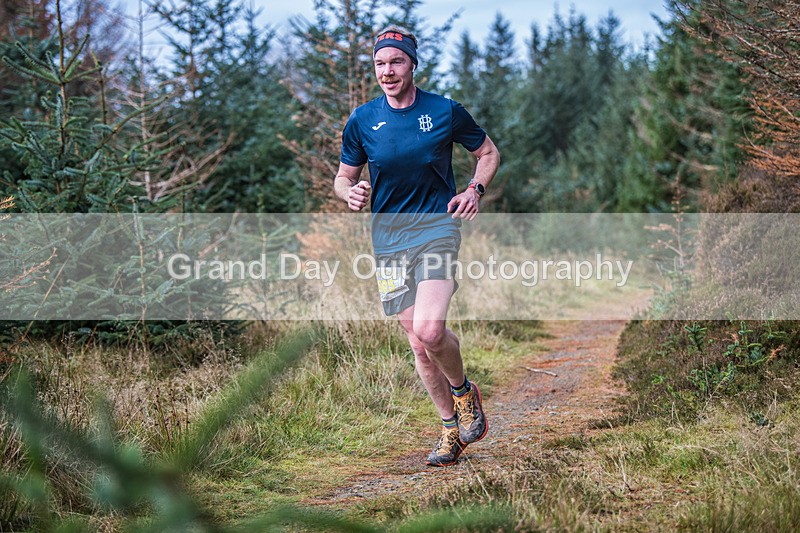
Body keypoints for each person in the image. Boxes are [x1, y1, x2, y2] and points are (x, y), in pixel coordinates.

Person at [333, 26, 500, 467]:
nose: (387, 72)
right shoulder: (362, 119)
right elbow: (343, 176)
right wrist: (347, 192)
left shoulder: (444, 111)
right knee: (418, 344)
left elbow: (487, 153)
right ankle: (450, 429)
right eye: (380, 64)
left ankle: (465, 392)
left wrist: (474, 190)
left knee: (429, 329)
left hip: (436, 231)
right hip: (387, 241)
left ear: (412, 64)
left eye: (396, 62)